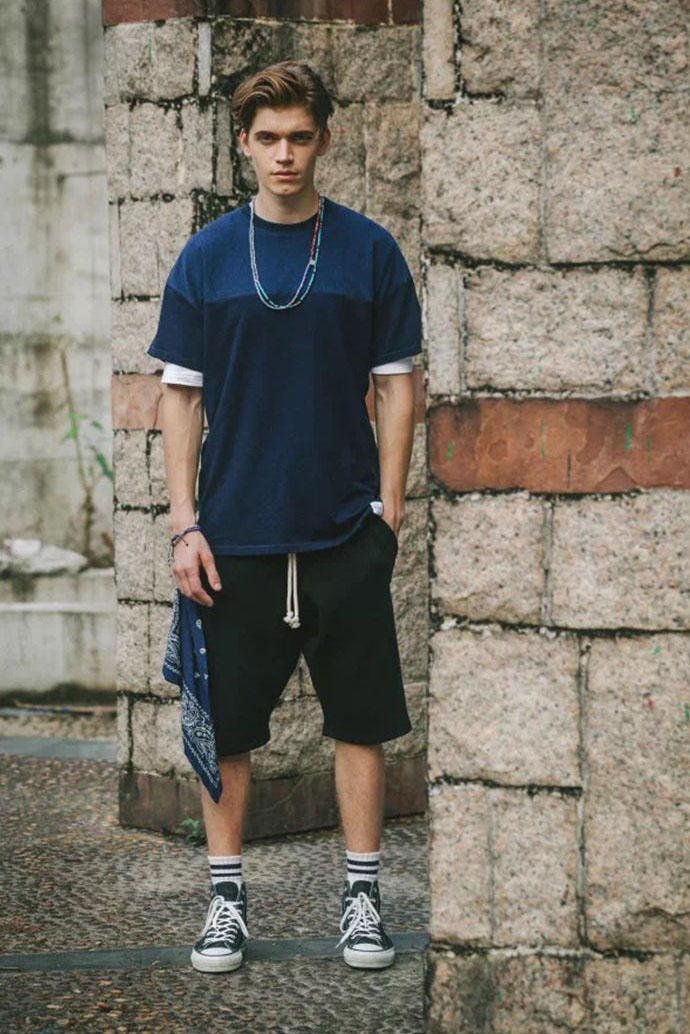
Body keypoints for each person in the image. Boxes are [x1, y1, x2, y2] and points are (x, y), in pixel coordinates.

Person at [147, 60, 422, 974]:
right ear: (243, 144)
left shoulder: (367, 251)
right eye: (267, 138)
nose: (284, 155)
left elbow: (397, 382)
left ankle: (362, 900)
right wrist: (184, 523)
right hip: (233, 537)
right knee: (225, 730)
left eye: (300, 137)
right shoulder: (207, 257)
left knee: (360, 722)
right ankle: (225, 903)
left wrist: (388, 510)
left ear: (324, 140)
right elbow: (180, 397)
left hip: (344, 530)